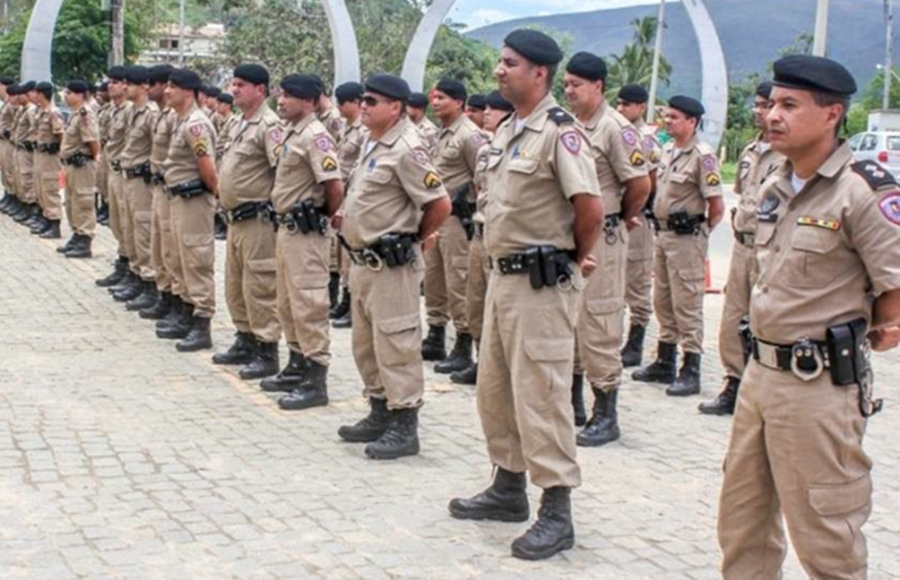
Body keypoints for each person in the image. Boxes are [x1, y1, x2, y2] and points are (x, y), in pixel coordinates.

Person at [717, 54, 900, 580]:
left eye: (789, 105)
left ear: (831, 114)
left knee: (826, 536)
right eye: (772, 103)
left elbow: (895, 286)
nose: (772, 114)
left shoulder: (861, 190)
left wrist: (871, 327)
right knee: (743, 525)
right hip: (760, 378)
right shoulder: (777, 181)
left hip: (818, 387)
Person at [448, 29, 602, 561]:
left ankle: (556, 511)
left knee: (542, 393)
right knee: (496, 389)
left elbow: (590, 208)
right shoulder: (508, 129)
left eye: (509, 63)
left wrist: (569, 257)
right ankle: (508, 487)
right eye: (500, 61)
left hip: (541, 284)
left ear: (539, 73)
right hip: (502, 280)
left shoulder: (561, 133)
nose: (498, 70)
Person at [336, 73, 451, 460]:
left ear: (395, 107)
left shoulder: (407, 148)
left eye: (371, 101)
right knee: (367, 345)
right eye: (364, 101)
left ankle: (404, 424)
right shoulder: (374, 142)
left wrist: (414, 238)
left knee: (396, 343)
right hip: (363, 262)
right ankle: (379, 410)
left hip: (392, 266)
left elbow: (439, 204)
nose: (363, 106)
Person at [563, 52, 651, 444]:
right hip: (573, 232)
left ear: (598, 87)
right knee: (572, 319)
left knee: (599, 320)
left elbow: (640, 185)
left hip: (605, 233)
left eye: (576, 85)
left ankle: (606, 411)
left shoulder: (617, 128)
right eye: (565, 84)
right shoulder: (568, 125)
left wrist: (620, 218)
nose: (568, 91)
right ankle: (574, 401)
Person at [699, 81, 784, 416]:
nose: (761, 111)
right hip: (742, 244)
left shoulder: (788, 155)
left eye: (767, 105)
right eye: (760, 105)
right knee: (733, 316)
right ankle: (733, 383)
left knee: (766, 318)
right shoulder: (750, 151)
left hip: (771, 248)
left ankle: (762, 390)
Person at [261, 74, 344, 410]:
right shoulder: (290, 132)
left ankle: (315, 377)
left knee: (309, 304)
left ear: (309, 101)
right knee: (287, 302)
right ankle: (296, 363)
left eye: (289, 96)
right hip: (286, 230)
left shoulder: (316, 137)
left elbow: (334, 186)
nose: (281, 101)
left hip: (307, 233)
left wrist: (321, 214)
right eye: (281, 95)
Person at [632, 95, 724, 396]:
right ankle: (665, 359)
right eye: (667, 116)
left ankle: (691, 367)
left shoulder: (703, 156)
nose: (667, 122)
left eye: (674, 117)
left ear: (692, 122)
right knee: (663, 299)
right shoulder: (669, 150)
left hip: (687, 238)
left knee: (687, 302)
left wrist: (700, 232)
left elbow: (716, 206)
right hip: (662, 235)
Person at [212, 64, 283, 379]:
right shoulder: (240, 123)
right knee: (237, 285)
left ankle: (267, 349)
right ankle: (245, 338)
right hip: (235, 219)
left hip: (258, 219)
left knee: (260, 285)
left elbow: (283, 172)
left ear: (261, 90)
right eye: (234, 83)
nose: (235, 89)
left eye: (242, 84)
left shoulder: (270, 126)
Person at [449, 90, 514, 386]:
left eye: (493, 109)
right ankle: (480, 360)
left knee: (502, 307)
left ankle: (502, 369)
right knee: (475, 302)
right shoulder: (488, 148)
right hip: (479, 233)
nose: (486, 113)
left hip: (504, 238)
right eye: (485, 108)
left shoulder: (518, 146)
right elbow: (478, 187)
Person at [421, 79, 484, 371]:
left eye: (442, 98)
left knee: (458, 279)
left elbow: (482, 179)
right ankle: (435, 333)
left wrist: (471, 209)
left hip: (458, 219)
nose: (435, 103)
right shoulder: (441, 134)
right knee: (434, 278)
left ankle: (463, 341)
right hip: (436, 218)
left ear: (459, 102)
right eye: (433, 98)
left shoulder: (470, 136)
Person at [157, 69, 219, 352]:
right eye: (167, 86)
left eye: (173, 87)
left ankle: (201, 322)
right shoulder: (179, 120)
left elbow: (207, 167)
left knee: (196, 259)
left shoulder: (196, 124)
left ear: (189, 91)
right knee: (178, 257)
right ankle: (185, 312)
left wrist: (215, 197)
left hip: (194, 200)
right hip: (178, 199)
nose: (167, 91)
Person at [616, 84, 662, 368]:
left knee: (637, 281)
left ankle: (636, 342)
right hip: (620, 218)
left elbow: (649, 182)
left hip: (639, 217)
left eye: (627, 105)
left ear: (641, 107)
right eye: (619, 104)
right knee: (618, 281)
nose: (621, 109)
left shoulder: (646, 140)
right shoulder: (620, 132)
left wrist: (638, 210)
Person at [117, 66, 161, 308]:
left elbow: (160, 148)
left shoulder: (151, 113)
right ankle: (135, 276)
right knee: (131, 229)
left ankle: (149, 283)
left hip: (143, 182)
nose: (125, 88)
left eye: (129, 84)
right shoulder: (133, 111)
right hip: (129, 179)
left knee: (144, 232)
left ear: (144, 86)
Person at [139, 64, 180, 321]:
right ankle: (164, 296)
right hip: (158, 187)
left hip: (175, 191)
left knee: (174, 250)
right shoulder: (162, 115)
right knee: (159, 246)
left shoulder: (179, 118)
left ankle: (181, 306)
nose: (147, 88)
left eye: (151, 84)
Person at [329, 81, 367, 329]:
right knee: (341, 255)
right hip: (343, 196)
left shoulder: (363, 131)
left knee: (352, 255)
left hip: (354, 199)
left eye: (342, 103)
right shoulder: (346, 128)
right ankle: (345, 299)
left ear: (354, 102)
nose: (339, 109)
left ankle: (353, 304)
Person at [99, 66, 135, 292]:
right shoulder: (112, 110)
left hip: (127, 173)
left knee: (129, 224)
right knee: (117, 222)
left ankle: (133, 270)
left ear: (125, 85)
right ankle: (123, 263)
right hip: (112, 171)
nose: (110, 85)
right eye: (109, 81)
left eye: (116, 81)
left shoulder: (133, 111)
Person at [57, 80, 101, 259]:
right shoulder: (75, 114)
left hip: (82, 165)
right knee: (72, 201)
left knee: (83, 200)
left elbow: (93, 141)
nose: (66, 96)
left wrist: (94, 159)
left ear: (80, 95)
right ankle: (77, 234)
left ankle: (85, 239)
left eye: (69, 93)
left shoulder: (85, 114)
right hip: (72, 166)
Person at [31, 81, 65, 238]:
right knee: (41, 188)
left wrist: (57, 148)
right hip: (40, 155)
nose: (34, 96)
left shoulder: (53, 112)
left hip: (50, 157)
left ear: (42, 94)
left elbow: (60, 135)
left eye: (36, 93)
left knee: (50, 189)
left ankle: (55, 223)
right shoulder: (40, 111)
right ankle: (46, 218)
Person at [12, 81, 38, 226]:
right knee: (19, 177)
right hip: (19, 148)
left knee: (28, 179)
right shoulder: (24, 110)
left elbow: (35, 131)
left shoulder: (31, 110)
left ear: (27, 95)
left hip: (27, 151)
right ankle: (24, 206)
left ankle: (32, 209)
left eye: (20, 95)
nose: (17, 98)